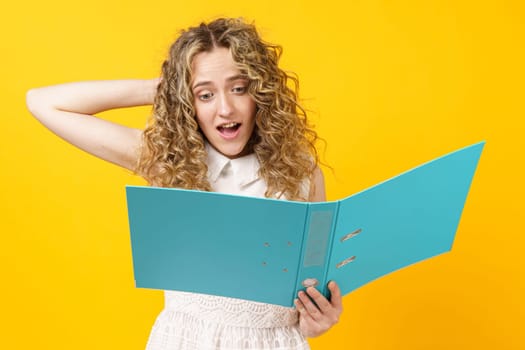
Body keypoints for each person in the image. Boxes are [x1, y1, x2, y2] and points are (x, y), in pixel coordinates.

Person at [26, 17, 343, 350]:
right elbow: (43, 103)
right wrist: (163, 88)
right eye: (204, 94)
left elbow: (310, 298)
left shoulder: (302, 171)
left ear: (261, 91)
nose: (225, 108)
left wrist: (318, 320)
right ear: (186, 102)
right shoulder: (169, 164)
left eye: (239, 88)